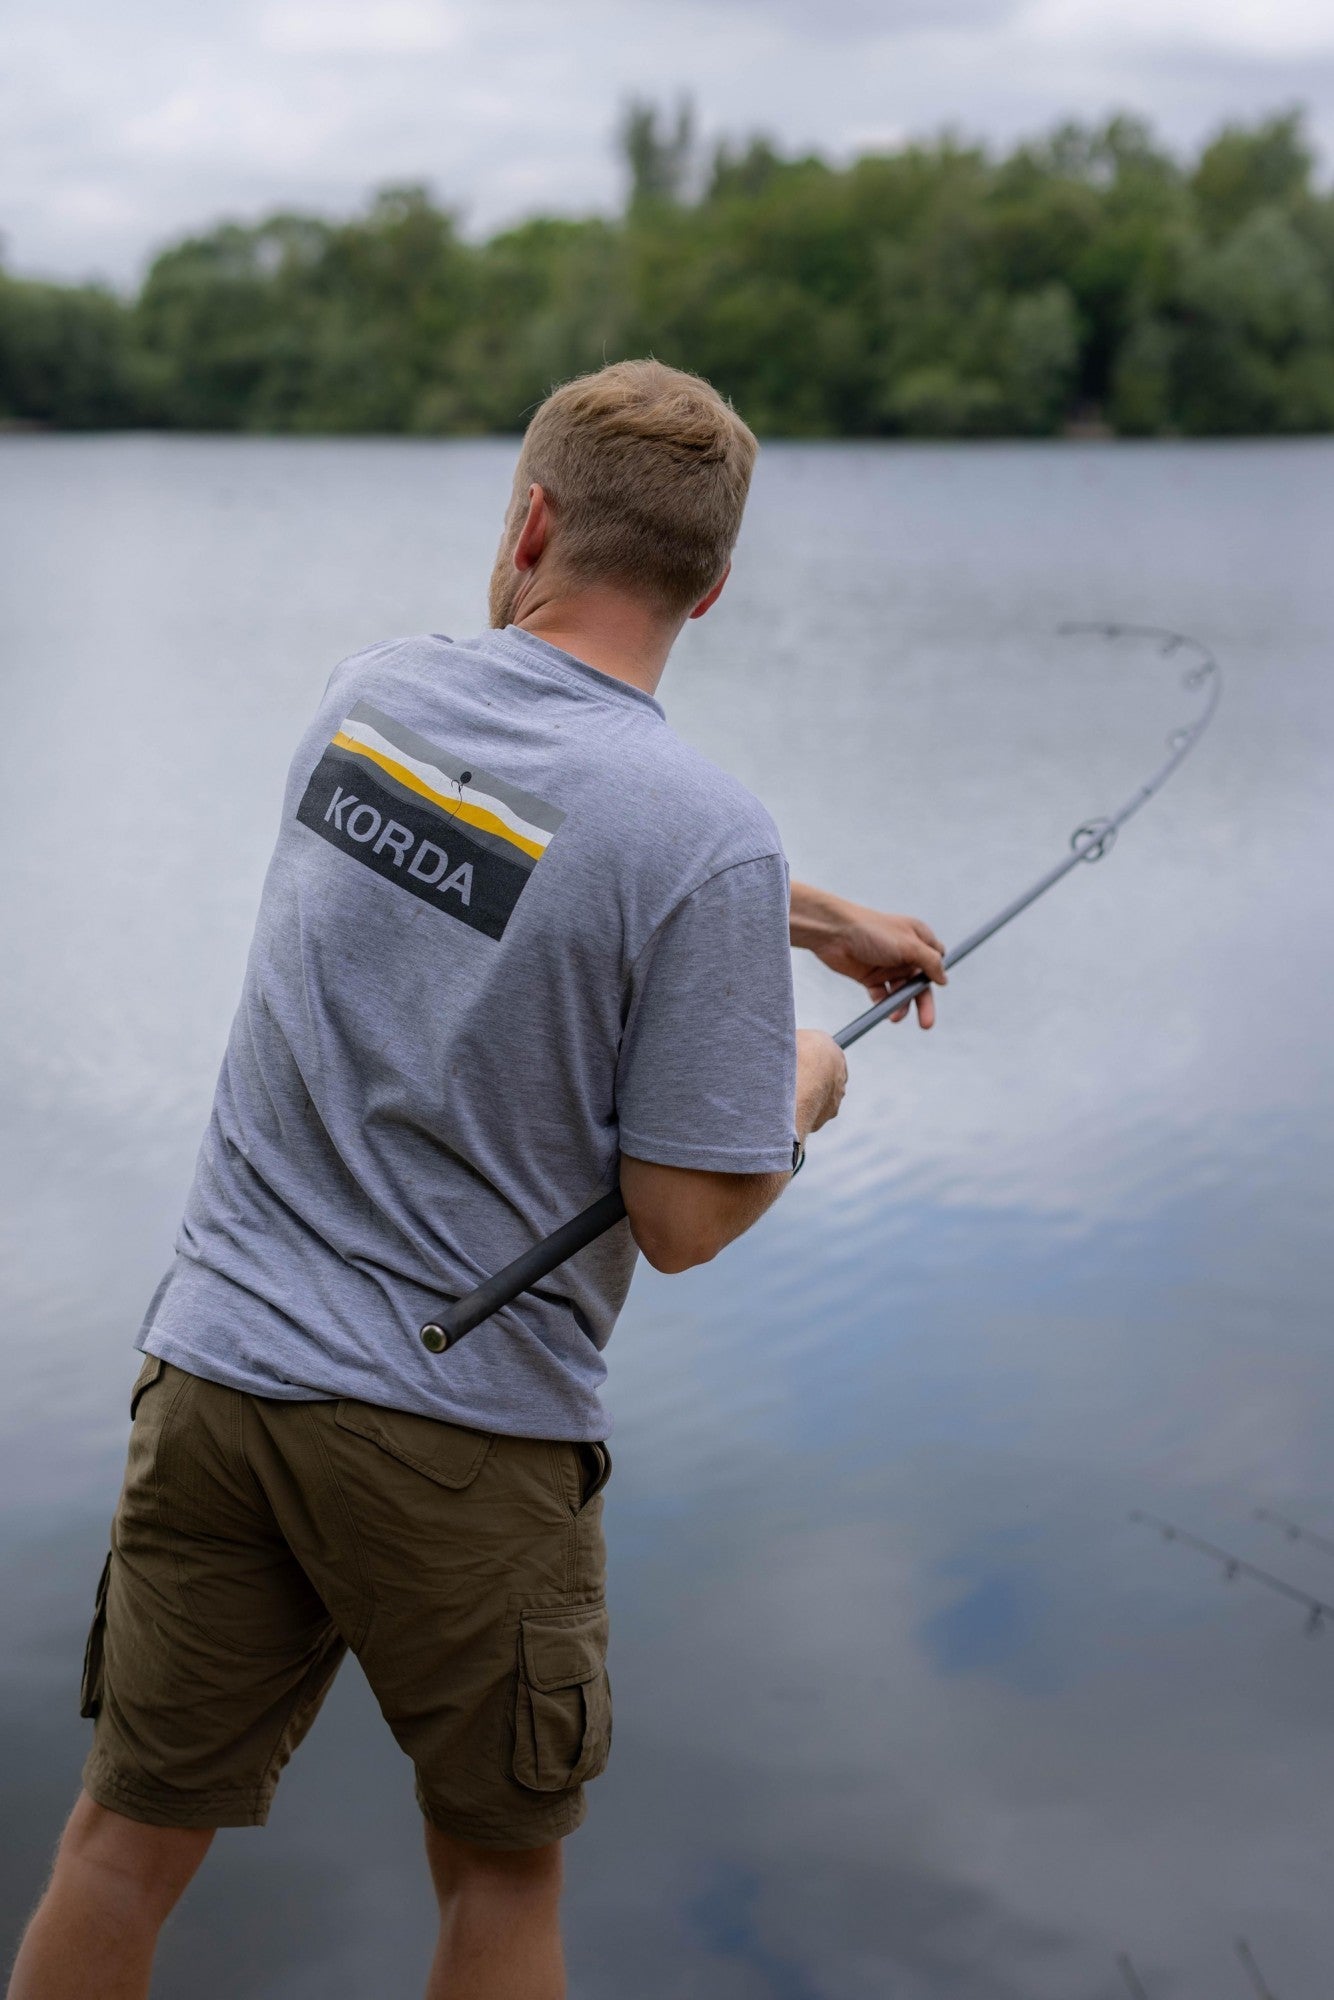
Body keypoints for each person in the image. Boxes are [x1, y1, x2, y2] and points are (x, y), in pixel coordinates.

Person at [7, 359, 945, 2000]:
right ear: (712, 587)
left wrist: (812, 915)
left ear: (529, 521)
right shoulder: (698, 831)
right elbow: (680, 1218)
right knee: (500, 1887)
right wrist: (804, 1077)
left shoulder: (369, 695)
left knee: (122, 1842)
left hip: (216, 1382)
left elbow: (541, 826)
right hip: (460, 1438)